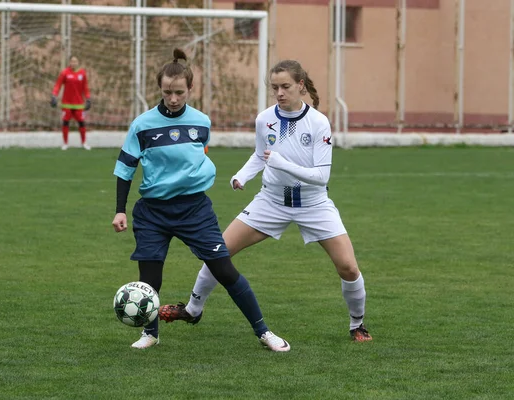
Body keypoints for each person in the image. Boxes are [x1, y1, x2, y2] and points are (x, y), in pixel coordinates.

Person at [158, 60, 373, 343]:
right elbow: (261, 154)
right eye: (274, 88)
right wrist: (243, 176)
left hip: (313, 203)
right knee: (218, 252)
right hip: (270, 201)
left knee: (348, 266)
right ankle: (192, 309)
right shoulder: (265, 119)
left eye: (285, 87)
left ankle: (357, 325)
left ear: (300, 85)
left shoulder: (319, 123)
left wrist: (283, 164)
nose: (279, 93)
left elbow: (321, 177)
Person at [111, 48, 290, 351]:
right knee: (150, 278)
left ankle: (263, 331)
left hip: (195, 209)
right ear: (160, 89)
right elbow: (125, 168)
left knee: (224, 270)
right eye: (167, 92)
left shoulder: (201, 122)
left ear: (190, 89)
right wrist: (119, 211)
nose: (173, 98)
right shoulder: (142, 125)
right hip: (153, 212)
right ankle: (150, 334)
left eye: (179, 92)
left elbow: (198, 153)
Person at [51, 55, 91, 150]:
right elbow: (58, 85)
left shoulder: (82, 73)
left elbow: (85, 88)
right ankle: (65, 143)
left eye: (75, 61)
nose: (73, 63)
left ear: (78, 62)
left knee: (81, 123)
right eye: (72, 61)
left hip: (79, 104)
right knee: (65, 122)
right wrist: (54, 95)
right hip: (66, 103)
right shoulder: (65, 73)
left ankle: (84, 143)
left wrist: (88, 98)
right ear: (69, 62)